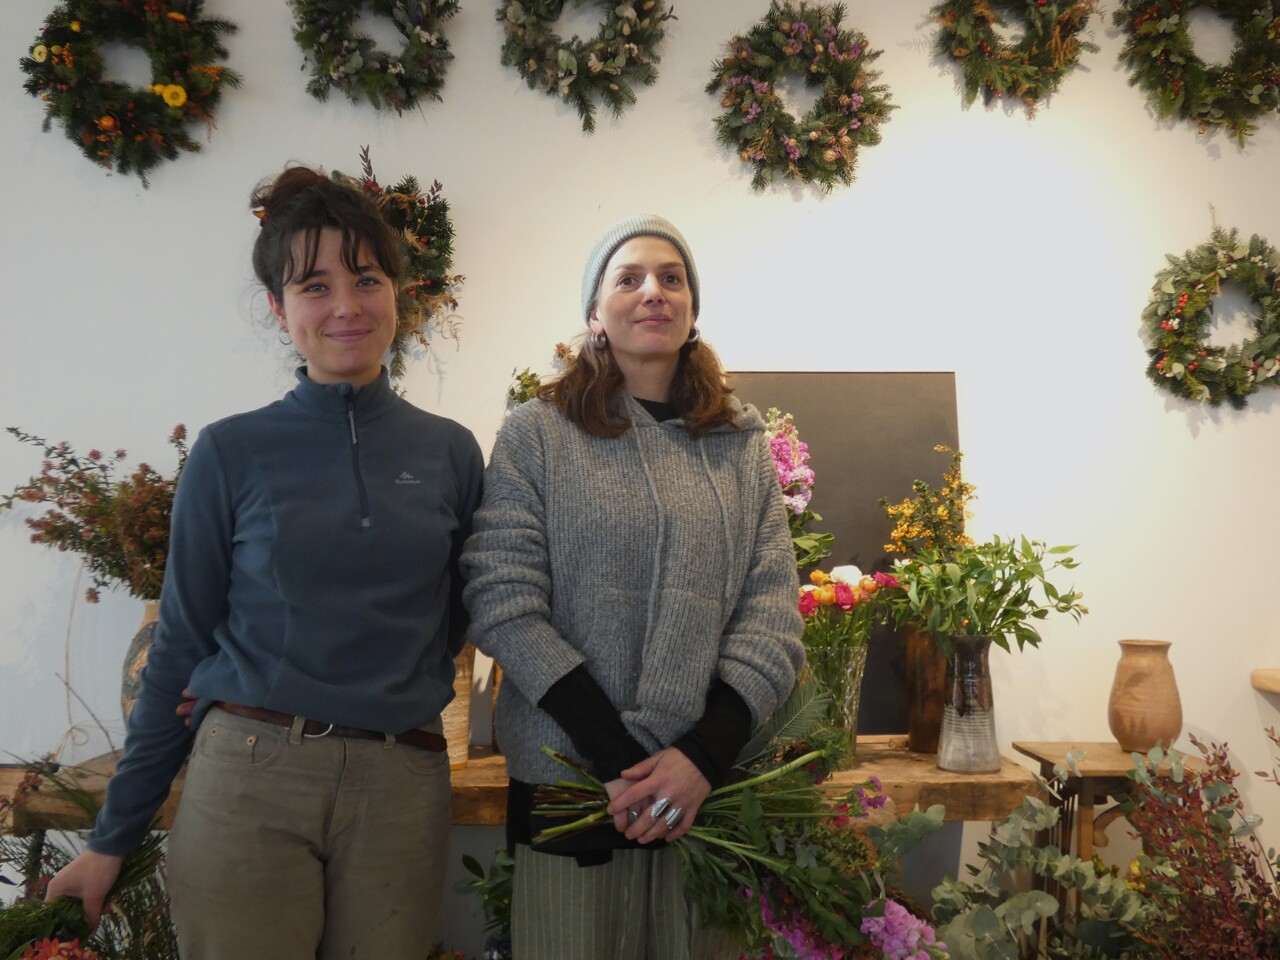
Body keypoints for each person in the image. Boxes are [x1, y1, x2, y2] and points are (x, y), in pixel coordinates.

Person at [46, 166, 484, 960]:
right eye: (314, 286)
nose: (346, 305)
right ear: (280, 312)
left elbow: (454, 619)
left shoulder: (451, 451)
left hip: (403, 782)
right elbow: (179, 645)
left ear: (398, 295)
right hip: (250, 776)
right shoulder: (230, 451)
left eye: (366, 278)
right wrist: (112, 839)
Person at [460, 214, 805, 959]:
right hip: (573, 783)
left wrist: (699, 759)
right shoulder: (538, 434)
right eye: (630, 278)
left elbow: (772, 615)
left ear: (691, 310)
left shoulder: (740, 447)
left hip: (705, 794)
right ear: (594, 314)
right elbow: (503, 600)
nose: (654, 291)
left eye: (671, 278)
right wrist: (621, 762)